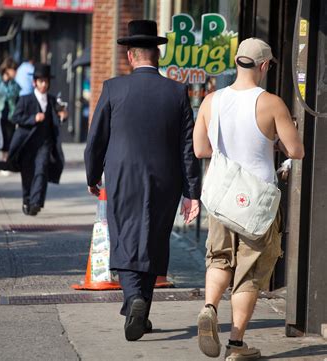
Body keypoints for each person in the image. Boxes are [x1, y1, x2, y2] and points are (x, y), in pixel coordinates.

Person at [84, 20, 201, 341]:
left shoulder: (113, 88)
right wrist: (192, 192)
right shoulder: (178, 91)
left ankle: (134, 298)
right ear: (157, 55)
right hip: (166, 179)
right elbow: (187, 149)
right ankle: (142, 308)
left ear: (131, 57)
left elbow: (96, 140)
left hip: (121, 175)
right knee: (153, 238)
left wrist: (93, 176)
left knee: (123, 235)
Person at [193, 38, 304, 360]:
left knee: (219, 259)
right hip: (256, 204)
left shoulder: (211, 100)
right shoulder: (271, 103)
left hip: (221, 197)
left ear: (238, 61)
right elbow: (296, 151)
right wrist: (273, 143)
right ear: (265, 65)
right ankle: (236, 345)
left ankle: (210, 307)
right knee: (250, 273)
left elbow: (201, 150)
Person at [8, 63, 67, 216]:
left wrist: (62, 116)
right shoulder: (25, 100)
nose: (44, 84)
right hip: (27, 144)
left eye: (46, 81)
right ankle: (27, 199)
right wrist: (33, 118)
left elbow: (59, 116)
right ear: (34, 82)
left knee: (41, 171)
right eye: (41, 81)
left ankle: (36, 203)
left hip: (45, 144)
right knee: (28, 174)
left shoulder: (53, 101)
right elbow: (15, 117)